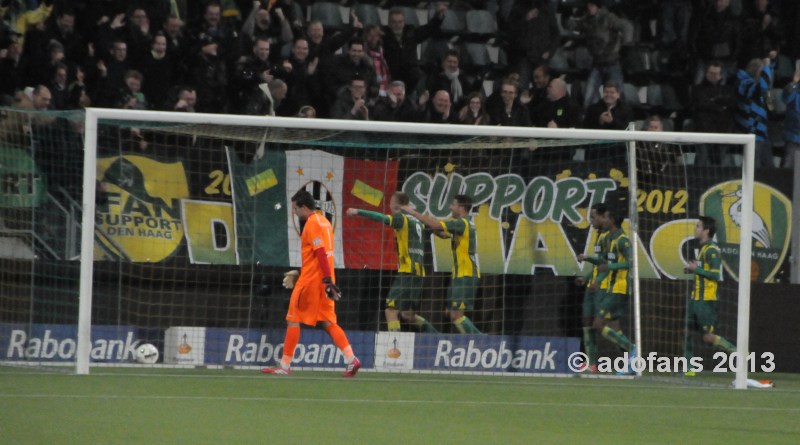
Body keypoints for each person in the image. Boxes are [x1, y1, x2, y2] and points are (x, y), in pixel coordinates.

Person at [262, 190, 361, 377]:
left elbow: (321, 252)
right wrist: (327, 280)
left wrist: (324, 279)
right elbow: (318, 256)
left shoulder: (312, 224)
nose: (295, 213)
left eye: (296, 209)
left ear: (304, 207)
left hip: (312, 282)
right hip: (324, 281)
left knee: (293, 319)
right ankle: (351, 359)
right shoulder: (324, 222)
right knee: (327, 321)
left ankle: (284, 365)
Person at [346, 192, 437, 333]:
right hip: (419, 273)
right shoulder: (417, 221)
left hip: (408, 271)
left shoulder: (401, 218)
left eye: (390, 200)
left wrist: (358, 211)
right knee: (407, 314)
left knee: (390, 310)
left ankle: (395, 347)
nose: (389, 204)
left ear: (395, 203)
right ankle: (436, 336)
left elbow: (381, 218)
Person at [401, 195, 481, 334]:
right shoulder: (464, 224)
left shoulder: (462, 223)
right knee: (449, 312)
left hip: (466, 274)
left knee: (456, 315)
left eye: (453, 204)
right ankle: (435, 336)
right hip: (460, 274)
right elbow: (443, 234)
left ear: (461, 207)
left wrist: (413, 212)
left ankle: (479, 340)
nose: (450, 207)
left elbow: (437, 225)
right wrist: (423, 224)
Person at [683, 216, 736, 375]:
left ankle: (736, 352)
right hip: (695, 299)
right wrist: (692, 270)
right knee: (686, 331)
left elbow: (715, 275)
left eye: (698, 226)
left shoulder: (712, 250)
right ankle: (689, 368)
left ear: (706, 230)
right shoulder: (703, 249)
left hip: (706, 300)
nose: (696, 229)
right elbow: (702, 271)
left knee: (708, 337)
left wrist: (695, 270)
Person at [593, 205, 636, 368]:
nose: (602, 220)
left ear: (612, 220)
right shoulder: (609, 239)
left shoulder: (623, 240)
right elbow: (605, 262)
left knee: (598, 324)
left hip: (619, 287)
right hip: (610, 287)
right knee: (614, 328)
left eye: (605, 217)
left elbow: (632, 262)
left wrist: (610, 268)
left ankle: (632, 349)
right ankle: (629, 364)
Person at [575, 202, 609, 372]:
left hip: (604, 286)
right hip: (593, 284)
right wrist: (586, 277)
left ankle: (631, 352)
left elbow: (606, 263)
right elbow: (599, 264)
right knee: (587, 321)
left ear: (603, 217)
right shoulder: (599, 235)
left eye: (593, 217)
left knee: (603, 325)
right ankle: (592, 363)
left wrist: (587, 258)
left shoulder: (610, 237)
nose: (591, 221)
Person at [781, 64, 800, 168]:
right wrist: (794, 82)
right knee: (787, 168)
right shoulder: (794, 89)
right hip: (793, 137)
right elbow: (786, 98)